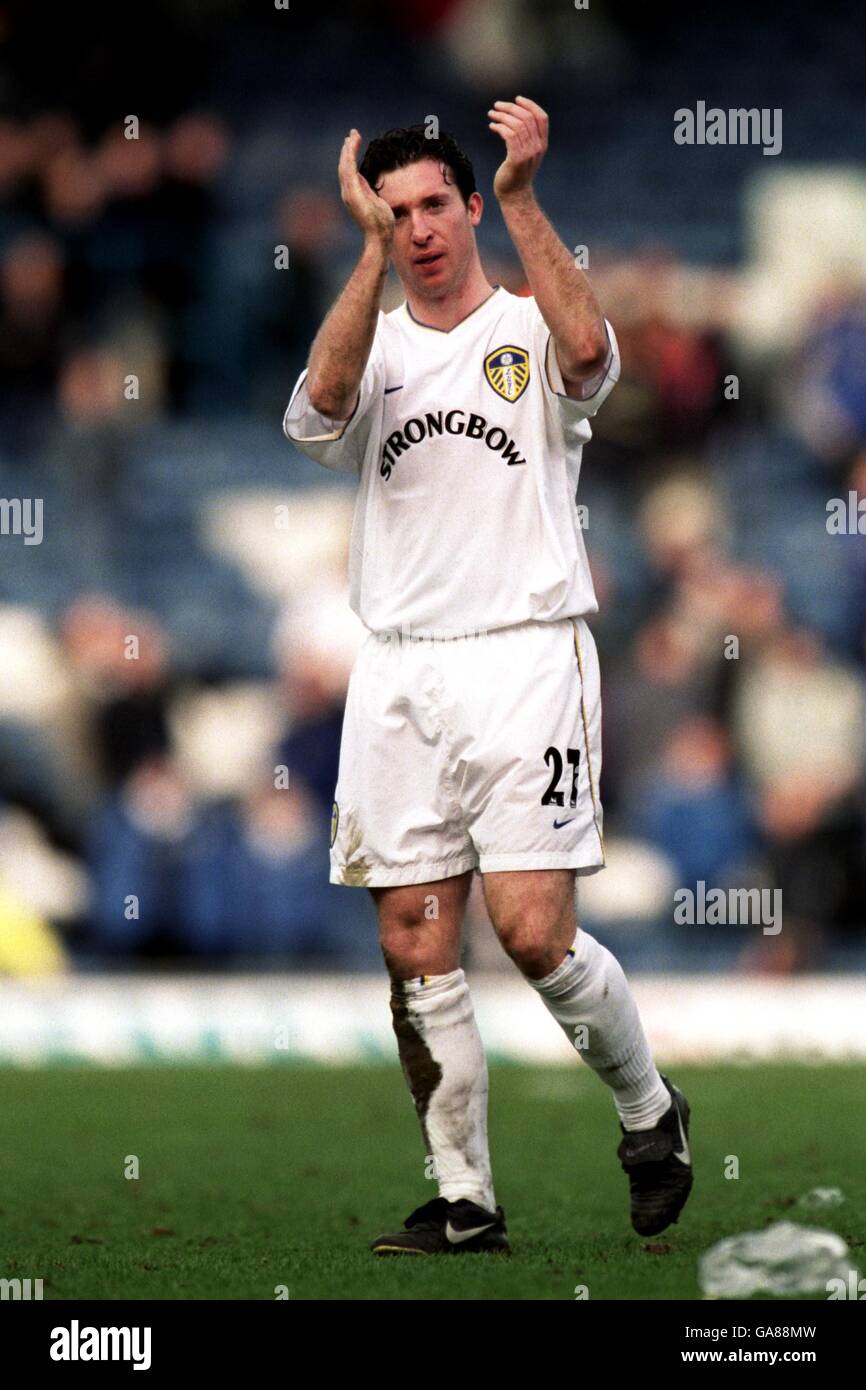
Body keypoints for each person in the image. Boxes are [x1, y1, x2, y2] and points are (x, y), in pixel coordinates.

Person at [283, 98, 692, 1256]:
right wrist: (357, 254)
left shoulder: (525, 320)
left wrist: (523, 197)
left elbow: (587, 357)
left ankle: (648, 1110)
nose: (416, 229)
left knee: (529, 930)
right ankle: (466, 1197)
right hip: (400, 667)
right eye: (392, 211)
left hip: (523, 649)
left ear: (468, 208)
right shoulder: (371, 345)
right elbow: (317, 408)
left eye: (431, 207)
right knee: (413, 937)